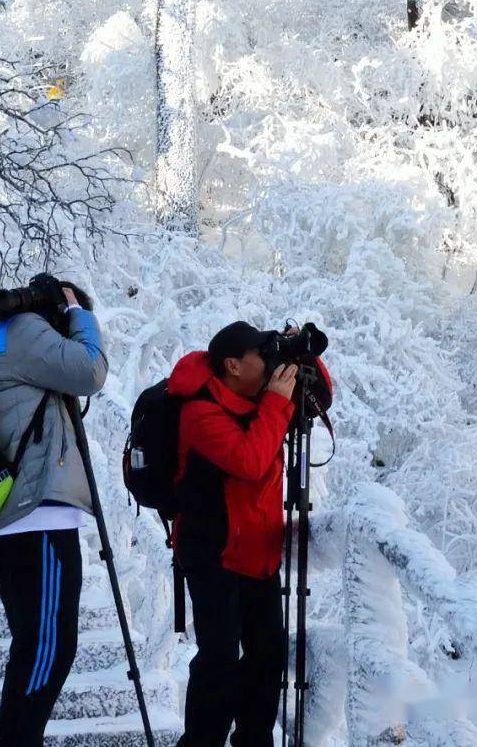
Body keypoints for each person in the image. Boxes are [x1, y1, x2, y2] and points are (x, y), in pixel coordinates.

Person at [0, 276, 107, 747]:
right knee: (48, 649)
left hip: (14, 512)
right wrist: (80, 316)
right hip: (38, 512)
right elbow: (90, 370)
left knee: (36, 644)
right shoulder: (26, 330)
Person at [168, 320, 332, 747]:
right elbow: (249, 460)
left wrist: (301, 352)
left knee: (266, 661)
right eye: (263, 356)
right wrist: (276, 403)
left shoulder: (261, 398)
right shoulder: (199, 411)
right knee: (220, 662)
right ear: (232, 366)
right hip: (214, 553)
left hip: (259, 551)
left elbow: (320, 397)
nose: (270, 365)